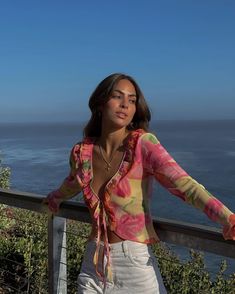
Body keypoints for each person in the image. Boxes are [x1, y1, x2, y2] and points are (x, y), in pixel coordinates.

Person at [44, 73, 235, 293]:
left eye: (132, 100)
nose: (125, 104)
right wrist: (55, 198)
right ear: (99, 103)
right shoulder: (81, 153)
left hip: (134, 265)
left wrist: (227, 218)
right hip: (93, 265)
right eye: (117, 96)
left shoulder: (143, 145)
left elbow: (186, 186)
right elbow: (73, 183)